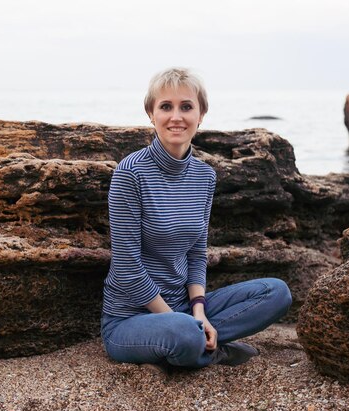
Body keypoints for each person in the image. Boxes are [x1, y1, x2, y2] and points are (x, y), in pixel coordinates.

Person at [100, 67, 292, 369]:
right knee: (184, 334)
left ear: (201, 115)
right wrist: (180, 321)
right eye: (166, 106)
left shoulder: (204, 176)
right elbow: (126, 268)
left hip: (186, 308)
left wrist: (199, 313)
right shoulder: (130, 173)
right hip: (130, 319)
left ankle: (200, 340)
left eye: (186, 107)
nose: (176, 116)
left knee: (277, 292)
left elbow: (196, 254)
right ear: (151, 114)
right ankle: (211, 347)